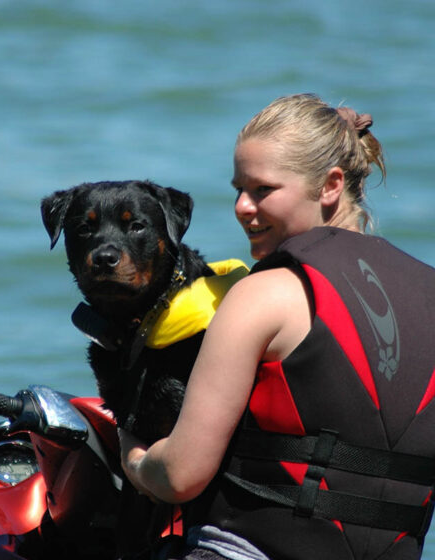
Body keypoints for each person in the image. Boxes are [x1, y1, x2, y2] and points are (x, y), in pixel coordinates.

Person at [118, 93, 435, 559]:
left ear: (330, 185)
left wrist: (134, 456)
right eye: (237, 190)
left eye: (262, 190)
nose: (242, 207)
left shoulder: (264, 294)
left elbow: (181, 476)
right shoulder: (428, 290)